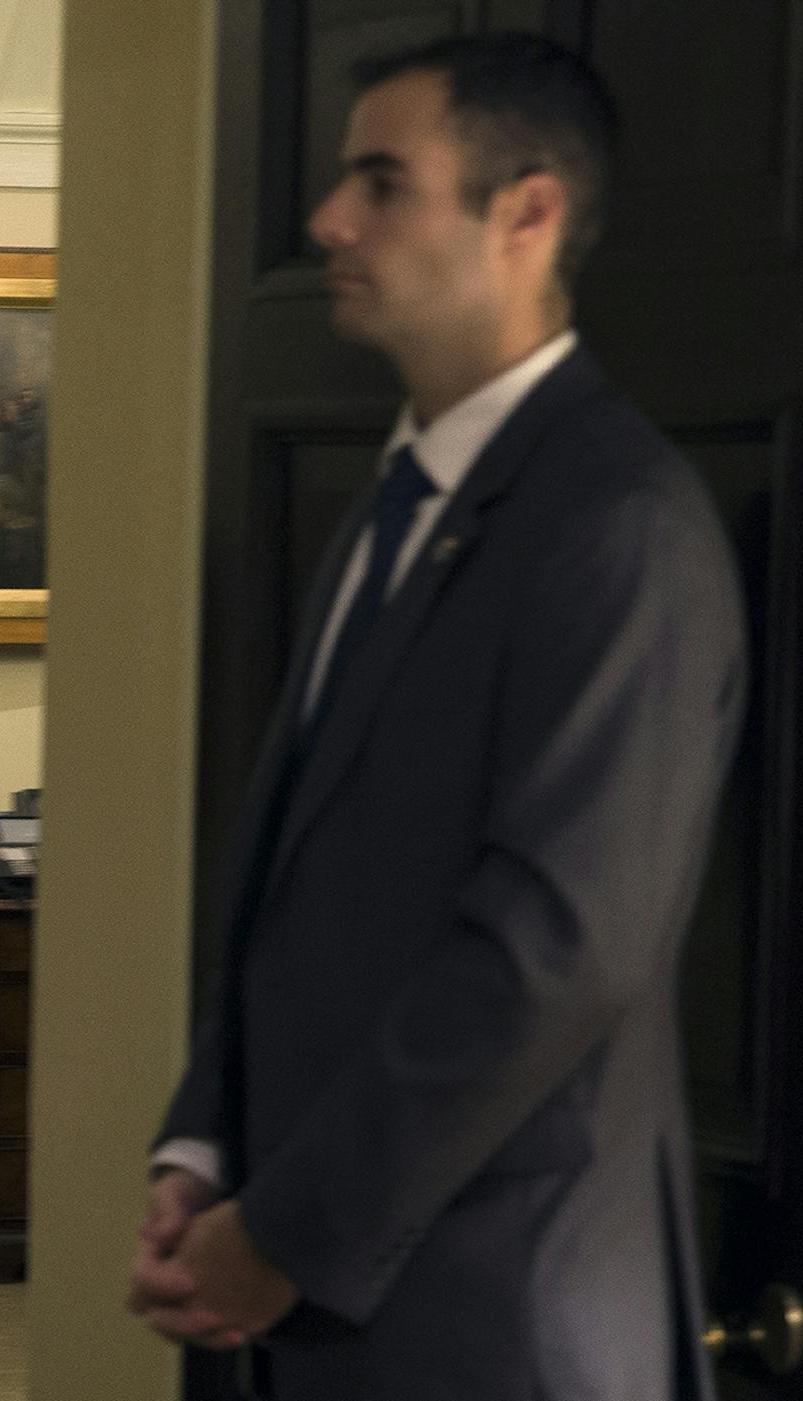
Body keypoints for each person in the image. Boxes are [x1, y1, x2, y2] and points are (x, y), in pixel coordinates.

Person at [129, 34, 744, 1401]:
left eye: (382, 183)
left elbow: (554, 952)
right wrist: (204, 1151)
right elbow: (298, 891)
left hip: (496, 1320)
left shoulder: (619, 525)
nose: (328, 221)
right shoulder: (395, 501)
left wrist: (282, 1234)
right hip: (313, 1303)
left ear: (526, 213)